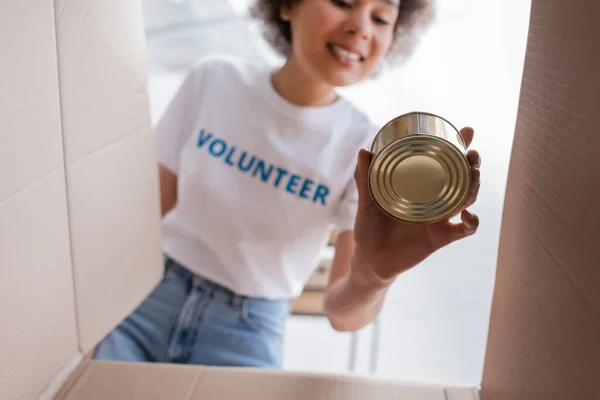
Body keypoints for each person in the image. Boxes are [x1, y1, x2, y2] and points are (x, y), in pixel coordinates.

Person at [93, 0, 482, 368]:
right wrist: (90, 317)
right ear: (287, 5)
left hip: (248, 328)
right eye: (343, 2)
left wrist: (373, 277)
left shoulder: (366, 151)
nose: (360, 28)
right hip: (147, 299)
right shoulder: (212, 80)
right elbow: (145, 219)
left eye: (381, 18)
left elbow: (343, 315)